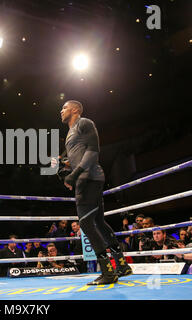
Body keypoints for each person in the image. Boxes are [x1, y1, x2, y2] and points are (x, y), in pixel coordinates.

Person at [54, 100, 132, 285]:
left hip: (89, 179)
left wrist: (74, 175)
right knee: (99, 222)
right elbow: (79, 157)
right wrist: (63, 164)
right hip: (87, 179)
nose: (61, 110)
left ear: (75, 109)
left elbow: (93, 151)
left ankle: (107, 272)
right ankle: (121, 266)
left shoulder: (85, 123)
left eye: (64, 107)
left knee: (86, 224)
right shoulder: (70, 133)